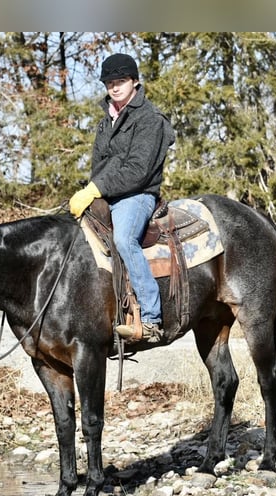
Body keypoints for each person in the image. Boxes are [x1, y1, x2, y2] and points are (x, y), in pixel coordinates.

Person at [69, 53, 175, 343]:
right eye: (110, 82)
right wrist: (90, 190)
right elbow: (99, 164)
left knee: (123, 240)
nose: (114, 87)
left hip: (137, 195)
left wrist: (96, 188)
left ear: (135, 82)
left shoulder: (150, 119)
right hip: (106, 192)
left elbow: (137, 171)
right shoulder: (107, 121)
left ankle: (152, 319)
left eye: (121, 81)